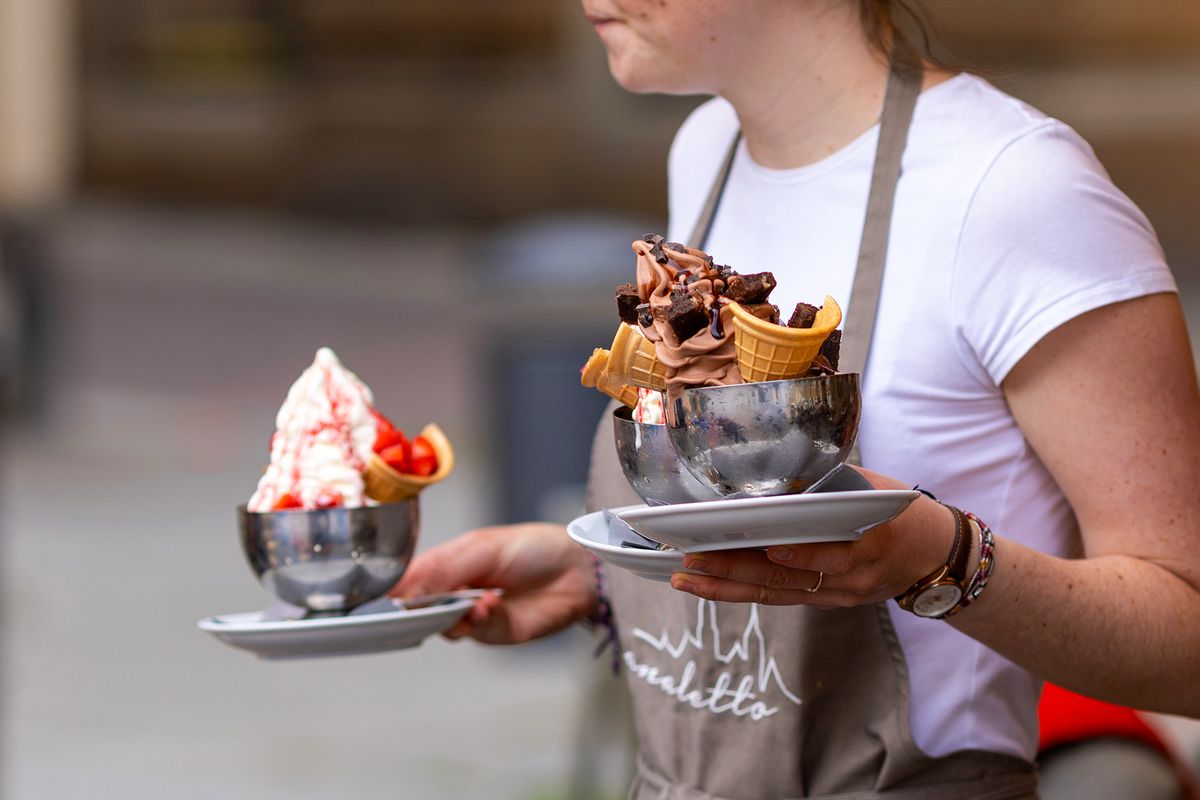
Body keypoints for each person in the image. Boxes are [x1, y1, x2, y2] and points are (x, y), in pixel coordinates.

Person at [395, 1, 1200, 797]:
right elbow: (748, 504)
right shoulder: (709, 147)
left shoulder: (1017, 190)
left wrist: (938, 559)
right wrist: (600, 574)